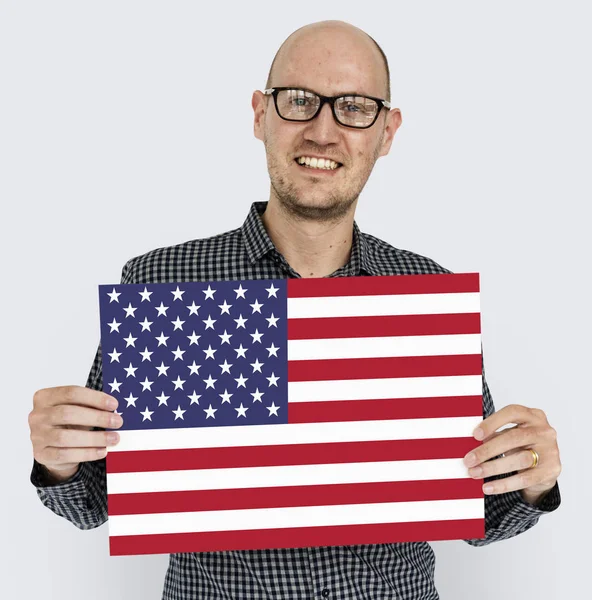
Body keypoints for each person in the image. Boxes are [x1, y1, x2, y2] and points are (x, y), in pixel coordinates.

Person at [28, 19, 561, 600]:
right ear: (260, 114)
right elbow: (93, 504)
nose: (323, 131)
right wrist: (59, 458)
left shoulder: (425, 292)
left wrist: (532, 476)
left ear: (387, 131)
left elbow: (481, 512)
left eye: (354, 106)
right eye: (299, 101)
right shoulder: (161, 284)